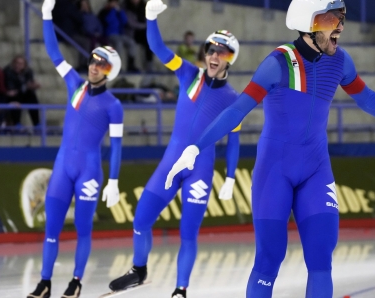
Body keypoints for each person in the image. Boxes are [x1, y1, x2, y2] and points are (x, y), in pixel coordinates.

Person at [165, 0, 375, 297]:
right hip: (274, 171)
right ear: (309, 24)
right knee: (268, 260)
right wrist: (194, 148)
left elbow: (367, 98)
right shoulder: (278, 63)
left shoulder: (340, 61)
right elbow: (237, 110)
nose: (340, 27)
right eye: (332, 20)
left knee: (321, 260)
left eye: (342, 18)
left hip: (316, 170)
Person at [107, 1, 241, 298]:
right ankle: (138, 270)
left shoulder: (233, 99)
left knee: (188, 233)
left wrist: (230, 178)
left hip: (201, 169)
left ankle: (180, 289)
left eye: (222, 52)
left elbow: (234, 140)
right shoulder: (189, 74)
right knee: (141, 219)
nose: (214, 56)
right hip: (171, 161)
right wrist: (151, 16)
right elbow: (157, 47)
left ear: (231, 60)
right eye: (211, 50)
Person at [27, 0, 124, 297]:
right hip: (62, 168)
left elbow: (117, 146)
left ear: (110, 72)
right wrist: (46, 16)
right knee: (51, 230)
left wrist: (114, 180)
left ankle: (76, 281)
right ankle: (44, 282)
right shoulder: (73, 84)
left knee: (83, 229)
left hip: (89, 171)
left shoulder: (114, 106)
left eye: (101, 65)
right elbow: (53, 50)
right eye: (93, 61)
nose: (94, 67)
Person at [98, 0, 139, 72]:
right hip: (109, 34)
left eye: (116, 3)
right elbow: (108, 20)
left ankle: (131, 64)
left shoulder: (119, 11)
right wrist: (112, 10)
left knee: (131, 42)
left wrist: (120, 12)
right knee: (119, 43)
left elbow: (125, 21)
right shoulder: (104, 11)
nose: (115, 4)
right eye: (113, 2)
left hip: (120, 34)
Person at [3, 55, 41, 128]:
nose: (18, 65)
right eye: (17, 63)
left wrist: (33, 86)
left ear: (24, 65)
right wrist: (26, 87)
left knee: (32, 97)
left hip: (23, 93)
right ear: (13, 63)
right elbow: (11, 88)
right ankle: (16, 123)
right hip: (11, 95)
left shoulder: (28, 71)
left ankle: (36, 124)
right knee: (15, 98)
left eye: (21, 64)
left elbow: (30, 83)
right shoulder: (7, 71)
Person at [125, 0, 154, 71]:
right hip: (132, 32)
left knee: (150, 41)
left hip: (142, 32)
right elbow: (131, 23)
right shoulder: (126, 8)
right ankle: (131, 65)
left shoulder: (144, 7)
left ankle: (149, 64)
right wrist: (144, 26)